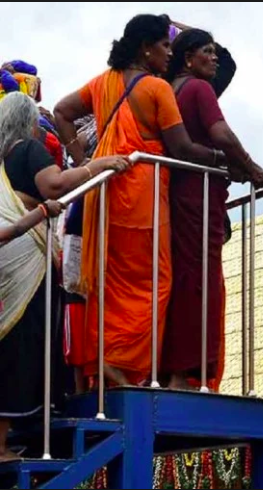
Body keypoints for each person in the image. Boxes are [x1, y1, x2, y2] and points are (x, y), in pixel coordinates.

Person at [53, 14, 225, 387]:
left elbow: (62, 112)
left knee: (110, 283)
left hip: (105, 196)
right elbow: (180, 146)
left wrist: (82, 157)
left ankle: (105, 364)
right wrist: (220, 160)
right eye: (164, 45)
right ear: (146, 48)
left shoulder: (104, 83)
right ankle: (125, 369)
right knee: (154, 283)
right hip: (142, 200)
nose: (169, 52)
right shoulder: (157, 89)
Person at [0, 92, 130, 462]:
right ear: (27, 123)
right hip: (25, 255)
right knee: (24, 338)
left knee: (13, 339)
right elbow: (55, 186)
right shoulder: (28, 149)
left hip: (10, 258)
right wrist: (98, 165)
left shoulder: (2, 162)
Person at [161, 27, 263, 390]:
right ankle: (184, 376)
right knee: (202, 281)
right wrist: (252, 167)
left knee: (183, 279)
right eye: (207, 51)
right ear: (188, 58)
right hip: (198, 194)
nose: (215, 58)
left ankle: (174, 373)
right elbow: (220, 132)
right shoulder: (197, 88)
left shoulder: (170, 90)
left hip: (179, 194)